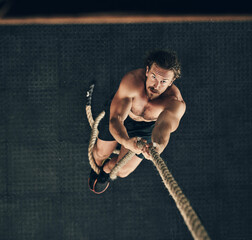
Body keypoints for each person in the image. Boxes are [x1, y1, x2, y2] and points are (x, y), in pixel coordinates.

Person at [88, 49, 186, 194]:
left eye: (164, 81)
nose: (156, 85)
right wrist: (126, 142)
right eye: (153, 76)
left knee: (122, 171)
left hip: (146, 128)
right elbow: (116, 119)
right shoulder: (132, 81)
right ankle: (98, 167)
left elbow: (163, 126)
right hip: (123, 115)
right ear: (147, 71)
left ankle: (106, 170)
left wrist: (158, 145)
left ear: (171, 82)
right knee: (99, 154)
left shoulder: (175, 103)